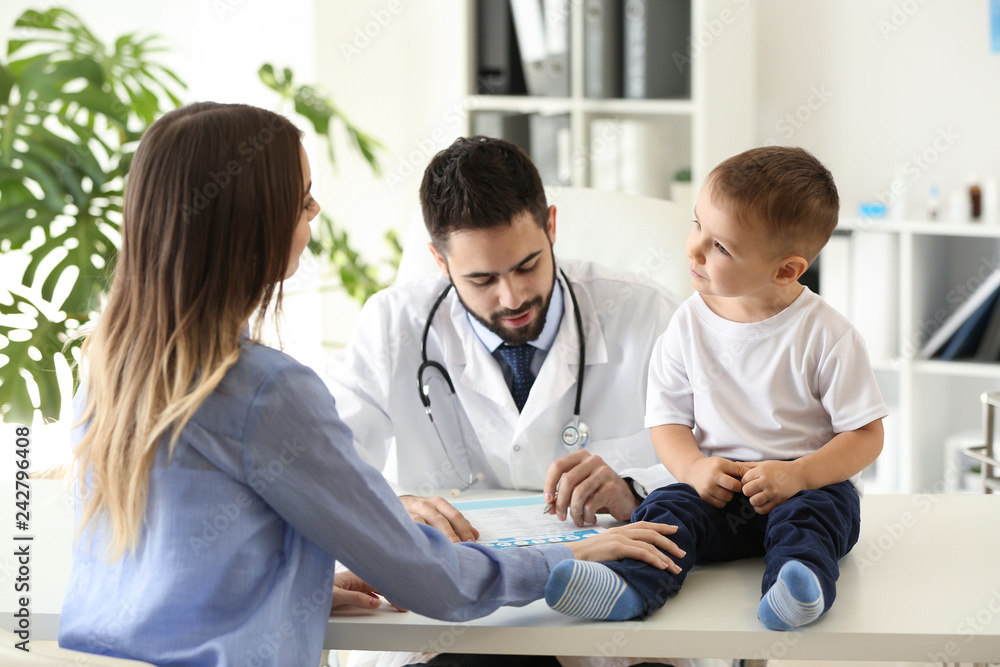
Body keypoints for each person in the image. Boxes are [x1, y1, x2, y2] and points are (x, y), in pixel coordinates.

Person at [56, 102, 686, 667]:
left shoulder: (107, 366)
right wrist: (573, 556)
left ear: (551, 228)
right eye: (303, 201)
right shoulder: (268, 390)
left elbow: (167, 558)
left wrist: (294, 579)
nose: (316, 212)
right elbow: (432, 580)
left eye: (526, 266)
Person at [543, 146, 889, 631]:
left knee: (814, 521)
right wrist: (695, 468)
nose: (693, 248)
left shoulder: (827, 335)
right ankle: (630, 586)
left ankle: (797, 587)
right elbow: (667, 421)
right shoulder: (687, 324)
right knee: (665, 511)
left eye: (720, 247)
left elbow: (866, 435)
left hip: (801, 488)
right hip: (716, 491)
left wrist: (802, 475)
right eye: (696, 225)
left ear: (786, 270)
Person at [325, 136, 681, 544]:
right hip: (455, 572)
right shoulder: (391, 323)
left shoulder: (648, 315)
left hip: (609, 566)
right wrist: (385, 505)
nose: (512, 298)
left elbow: (727, 457)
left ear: (550, 225)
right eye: (482, 279)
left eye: (527, 265)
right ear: (440, 261)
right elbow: (323, 457)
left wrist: (636, 489)